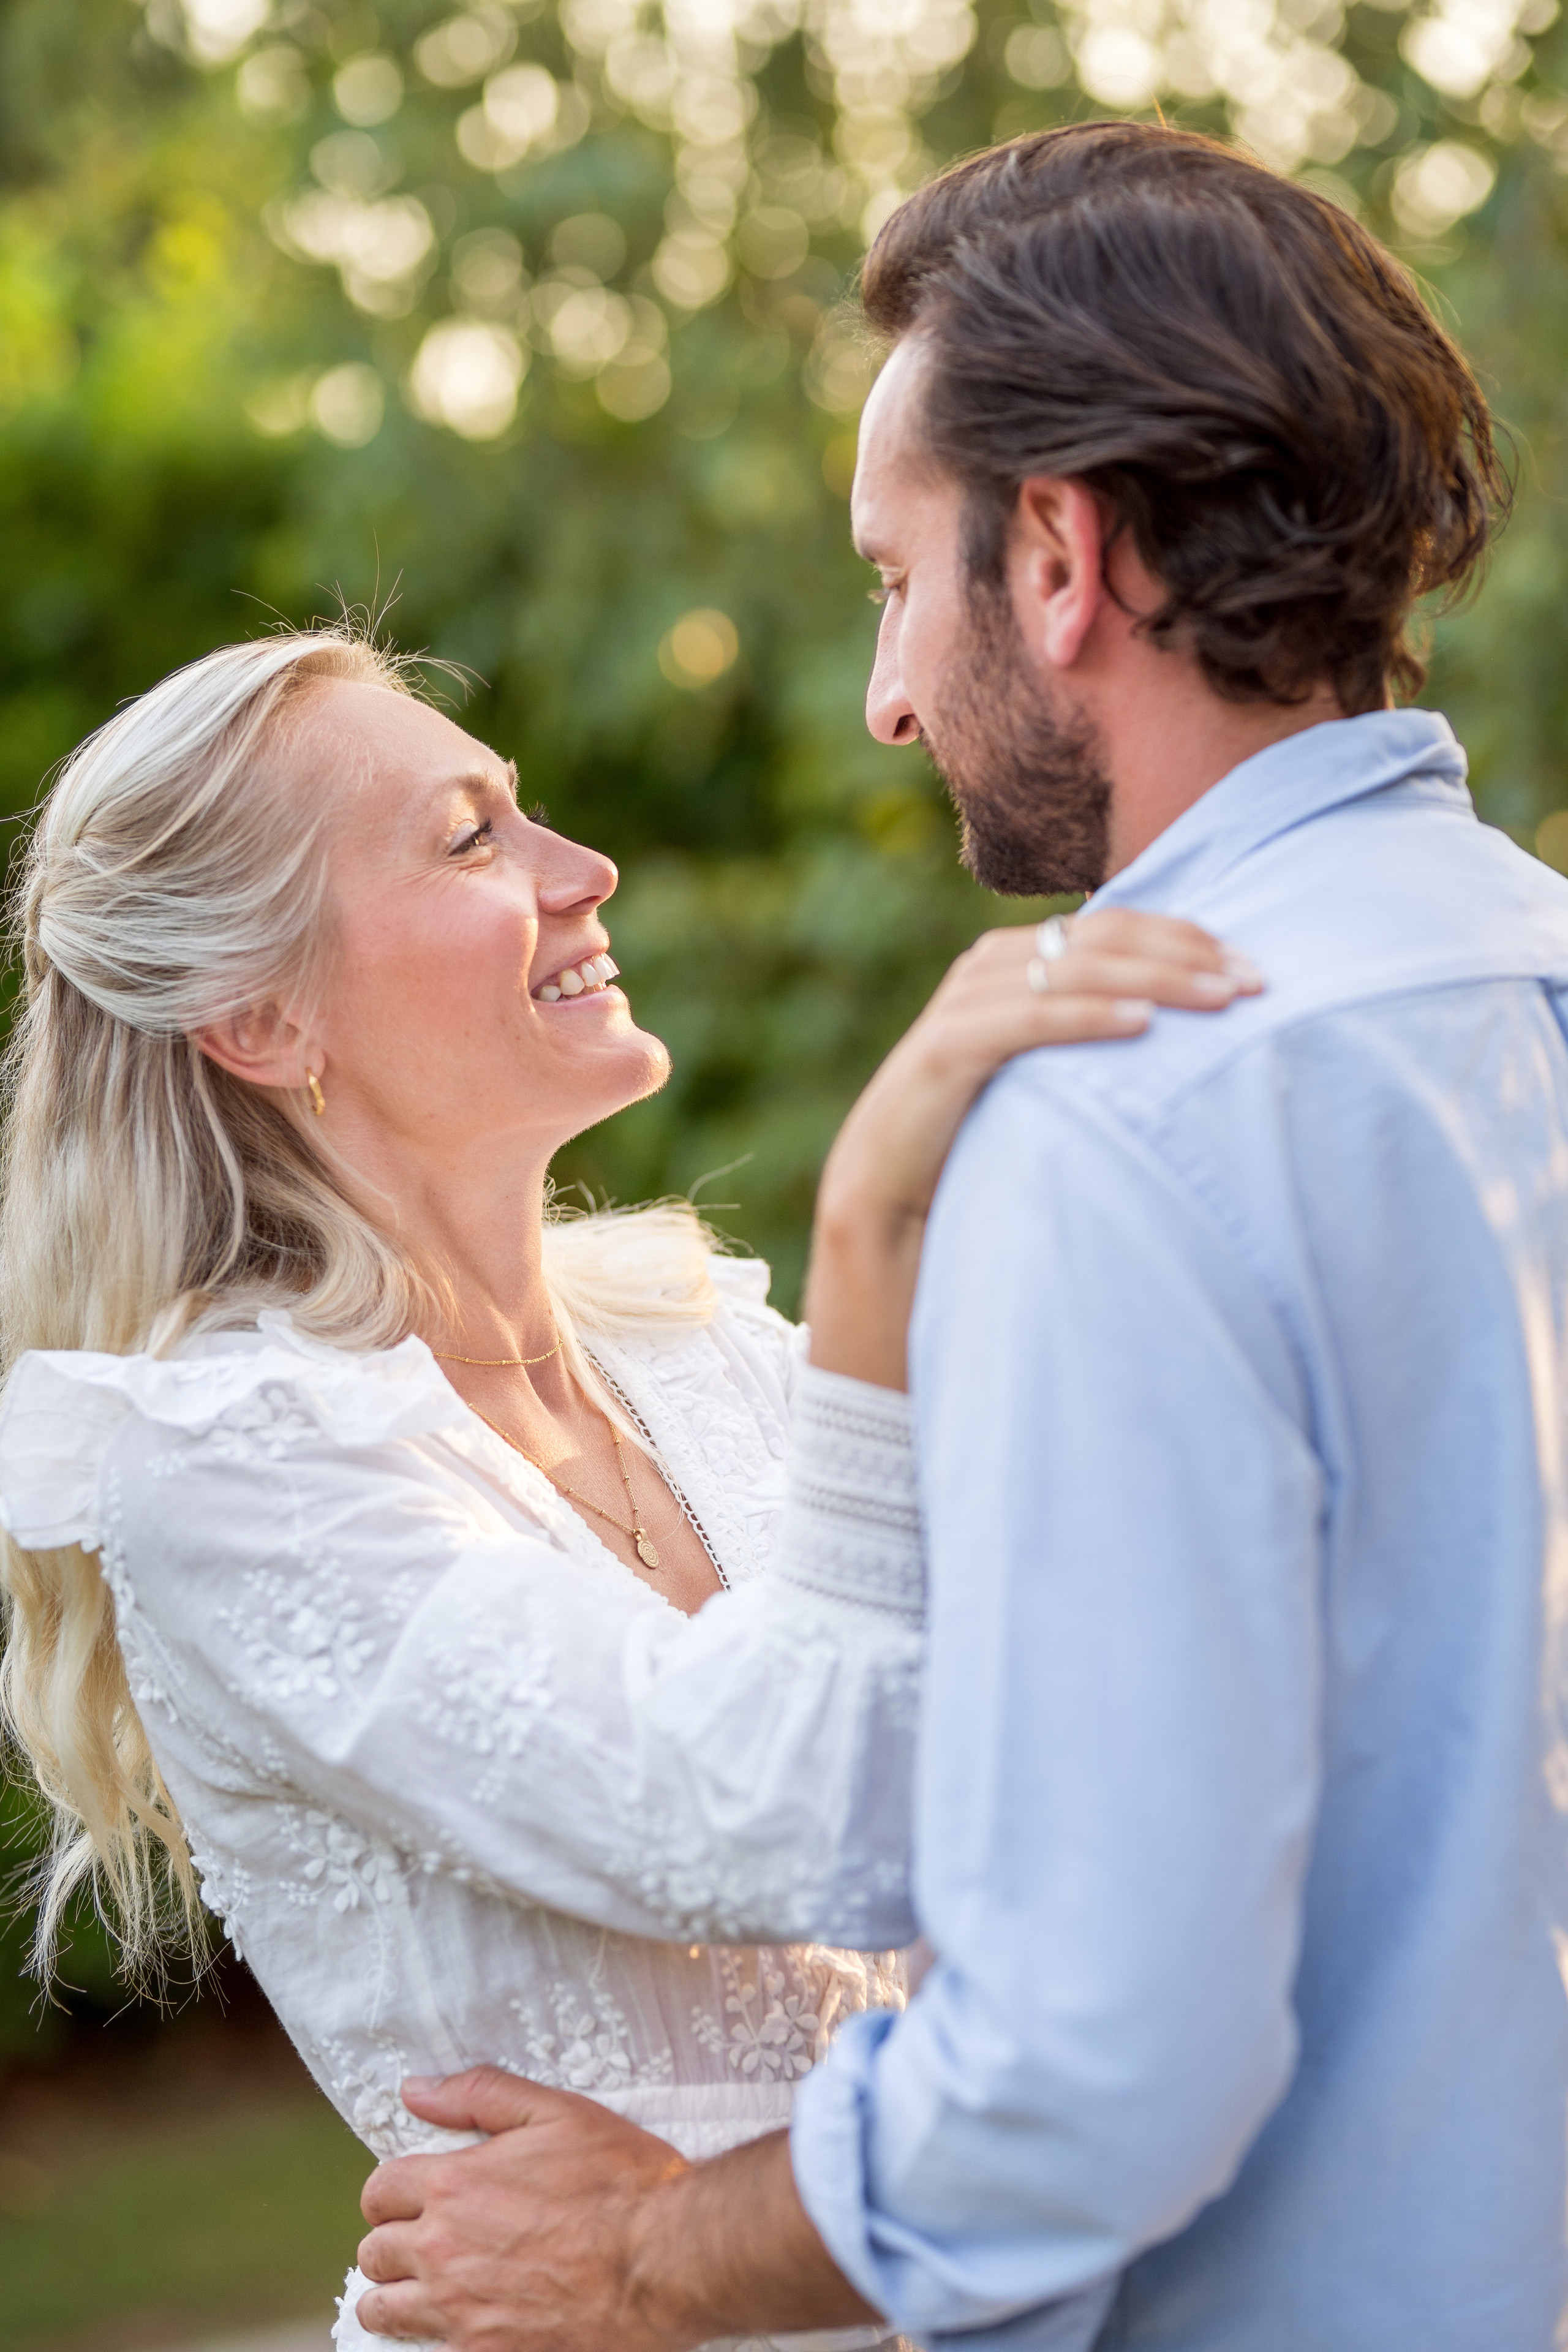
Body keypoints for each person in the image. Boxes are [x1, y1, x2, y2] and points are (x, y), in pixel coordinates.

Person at [349, 121, 1568, 2352]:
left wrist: (640, 2254)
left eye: (891, 579)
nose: (889, 696)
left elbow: (1098, 2065)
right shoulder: (1532, 982)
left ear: (1062, 556)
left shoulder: (1117, 1125)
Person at [0, 622, 1242, 2352]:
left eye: (529, 817)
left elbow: (1081, 1758)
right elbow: (787, 1810)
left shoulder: (703, 1345)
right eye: (469, 838)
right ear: (263, 1018)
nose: (584, 871)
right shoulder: (228, 1468)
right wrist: (880, 1208)